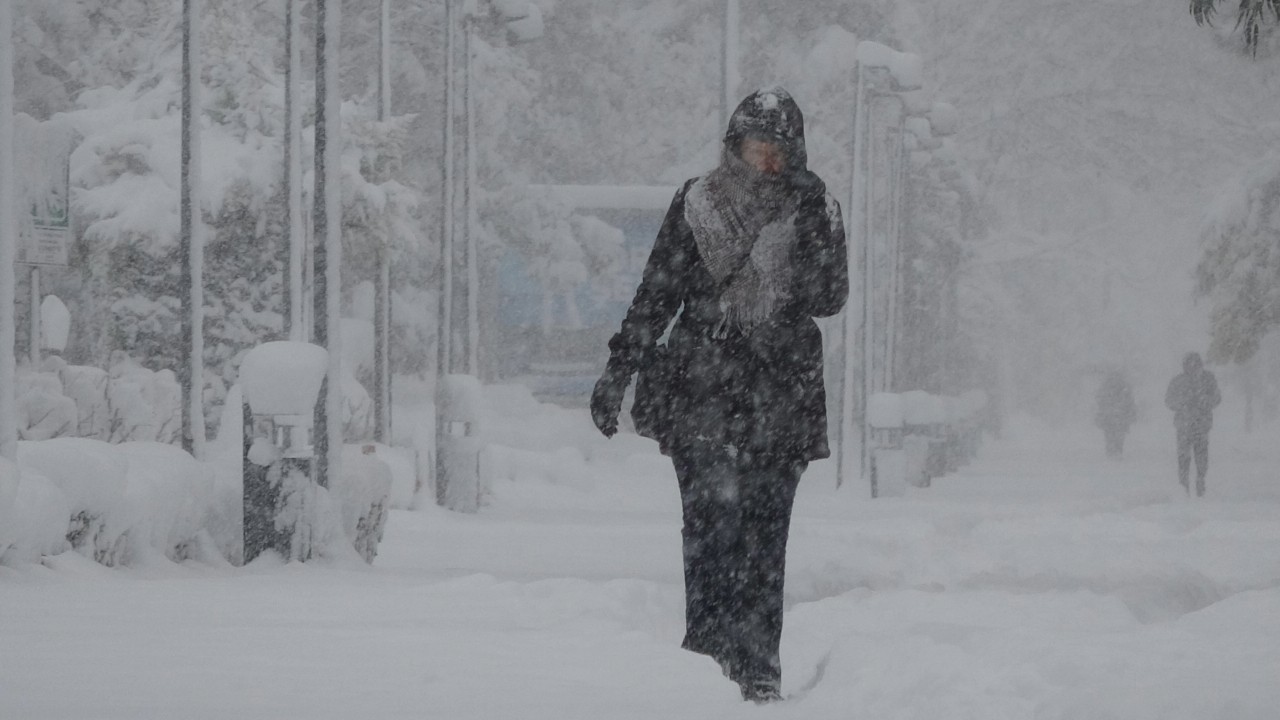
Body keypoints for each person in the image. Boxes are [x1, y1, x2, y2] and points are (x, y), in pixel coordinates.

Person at [589, 88, 847, 703]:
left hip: (780, 395)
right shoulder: (697, 200)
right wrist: (618, 369)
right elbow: (659, 290)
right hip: (701, 387)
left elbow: (830, 298)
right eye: (754, 145)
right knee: (708, 533)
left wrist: (800, 236)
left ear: (794, 150)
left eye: (776, 148)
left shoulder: (816, 204)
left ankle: (758, 666)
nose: (764, 159)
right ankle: (704, 663)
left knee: (762, 538)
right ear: (734, 145)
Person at [1164, 352, 1221, 496]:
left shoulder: (1208, 379)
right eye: (1189, 364)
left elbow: (1217, 398)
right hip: (1184, 425)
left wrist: (1205, 401)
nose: (1193, 368)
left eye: (1195, 364)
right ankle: (1183, 485)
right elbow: (1169, 401)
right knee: (1183, 457)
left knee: (1201, 456)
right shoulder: (1178, 381)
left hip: (1201, 425)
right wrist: (1182, 403)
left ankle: (1200, 480)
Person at [1094, 370, 1137, 459]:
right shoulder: (1125, 387)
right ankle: (1116, 451)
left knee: (1110, 434)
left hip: (1110, 416)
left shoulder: (1105, 387)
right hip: (1119, 416)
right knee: (1118, 435)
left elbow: (1099, 401)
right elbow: (1130, 403)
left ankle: (1112, 451)